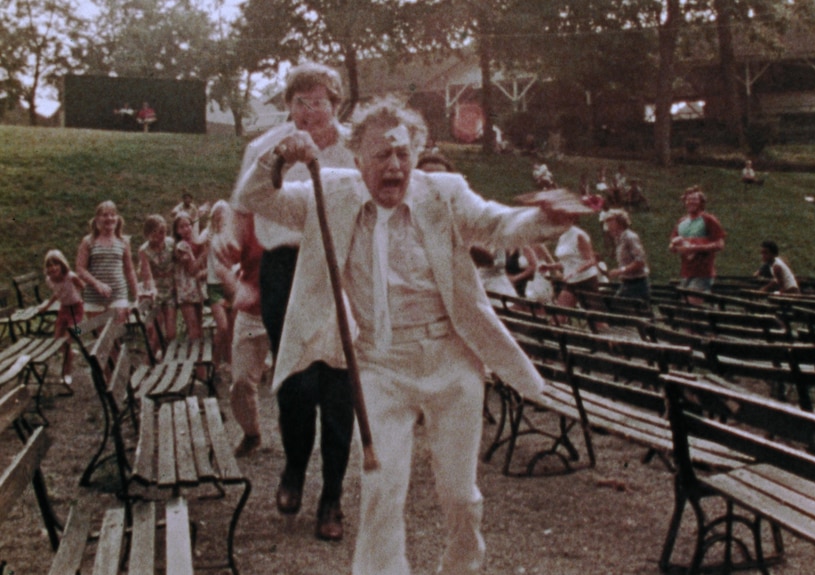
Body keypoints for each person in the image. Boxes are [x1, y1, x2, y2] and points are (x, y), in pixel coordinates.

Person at [234, 95, 580, 575]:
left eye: (403, 153)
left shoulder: (444, 191)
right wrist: (277, 158)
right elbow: (254, 199)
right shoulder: (329, 191)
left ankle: (461, 566)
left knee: (461, 496)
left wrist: (547, 219)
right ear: (357, 159)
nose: (394, 165)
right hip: (379, 365)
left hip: (451, 360)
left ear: (417, 153)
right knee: (381, 491)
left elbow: (498, 224)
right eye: (381, 155)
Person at [227, 62, 356, 541]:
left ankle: (332, 499)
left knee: (341, 387)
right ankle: (295, 470)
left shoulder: (354, 147)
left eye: (318, 100)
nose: (309, 111)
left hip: (343, 267)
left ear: (335, 104)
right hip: (285, 266)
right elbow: (242, 205)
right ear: (288, 105)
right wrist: (246, 274)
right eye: (299, 101)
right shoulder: (264, 146)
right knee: (296, 381)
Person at [216, 211, 269, 457]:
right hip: (251, 314)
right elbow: (220, 262)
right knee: (240, 382)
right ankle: (251, 433)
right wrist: (237, 288)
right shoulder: (245, 221)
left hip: (288, 313)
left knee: (298, 384)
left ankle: (298, 450)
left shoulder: (295, 212)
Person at [76, 200, 138, 321]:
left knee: (116, 334)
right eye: (105, 215)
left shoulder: (123, 241)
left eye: (112, 214)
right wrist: (97, 284)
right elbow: (80, 269)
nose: (109, 218)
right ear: (97, 219)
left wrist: (137, 296)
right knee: (101, 337)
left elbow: (129, 270)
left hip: (118, 295)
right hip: (94, 297)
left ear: (117, 218)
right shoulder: (88, 241)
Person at [669, 186, 726, 301]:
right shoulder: (681, 222)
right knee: (684, 306)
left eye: (695, 199)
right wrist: (676, 247)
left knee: (693, 304)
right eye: (688, 199)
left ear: (701, 202)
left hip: (703, 271)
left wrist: (696, 248)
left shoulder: (708, 219)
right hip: (686, 271)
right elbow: (672, 245)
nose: (691, 202)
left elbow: (720, 244)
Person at [38, 249, 84, 385]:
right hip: (63, 309)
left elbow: (82, 286)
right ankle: (71, 353)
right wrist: (47, 306)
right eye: (49, 266)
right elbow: (57, 293)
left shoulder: (70, 276)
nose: (52, 268)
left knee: (69, 338)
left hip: (76, 308)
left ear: (62, 264)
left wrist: (80, 300)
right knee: (57, 341)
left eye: (55, 264)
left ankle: (66, 373)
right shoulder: (49, 280)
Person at [199, 200, 233, 371]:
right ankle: (214, 361)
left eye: (224, 213)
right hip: (214, 286)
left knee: (231, 328)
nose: (221, 217)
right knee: (223, 326)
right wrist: (198, 217)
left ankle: (229, 362)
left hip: (229, 285)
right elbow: (196, 241)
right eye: (218, 214)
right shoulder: (209, 233)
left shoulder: (231, 233)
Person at [138, 214, 177, 354]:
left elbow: (178, 263)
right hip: (156, 291)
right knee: (156, 334)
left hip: (170, 290)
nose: (161, 236)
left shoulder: (171, 244)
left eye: (164, 232)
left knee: (171, 333)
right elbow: (147, 274)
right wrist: (152, 290)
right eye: (158, 232)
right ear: (149, 233)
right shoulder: (144, 250)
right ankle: (149, 363)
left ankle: (166, 358)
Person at [553, 217, 604, 310]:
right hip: (571, 282)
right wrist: (550, 266)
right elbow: (567, 262)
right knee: (559, 312)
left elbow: (591, 260)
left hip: (586, 280)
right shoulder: (562, 236)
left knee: (596, 319)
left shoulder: (579, 235)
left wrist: (576, 271)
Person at [173, 212, 206, 341]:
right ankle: (194, 358)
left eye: (188, 225)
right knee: (194, 330)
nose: (186, 229)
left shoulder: (193, 243)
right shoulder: (182, 246)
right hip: (187, 291)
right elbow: (192, 269)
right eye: (182, 227)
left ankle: (200, 358)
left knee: (199, 328)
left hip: (195, 290)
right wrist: (204, 253)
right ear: (177, 231)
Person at [604, 209, 650, 303]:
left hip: (637, 283)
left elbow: (640, 261)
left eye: (611, 222)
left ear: (620, 222)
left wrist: (620, 271)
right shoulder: (618, 239)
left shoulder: (630, 237)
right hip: (626, 282)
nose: (608, 226)